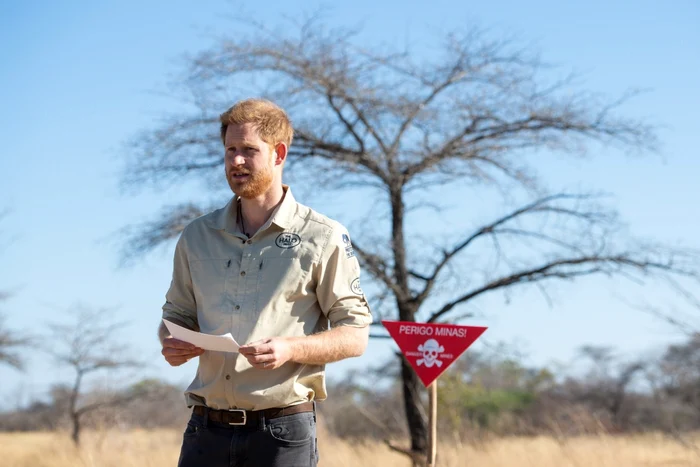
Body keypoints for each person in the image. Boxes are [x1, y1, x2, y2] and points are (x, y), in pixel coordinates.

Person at [158, 98, 372, 467]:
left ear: (279, 153)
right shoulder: (196, 236)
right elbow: (174, 315)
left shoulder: (323, 236)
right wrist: (171, 342)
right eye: (230, 150)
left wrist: (291, 349)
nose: (236, 161)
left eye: (248, 151)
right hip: (203, 431)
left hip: (281, 433)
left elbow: (355, 335)